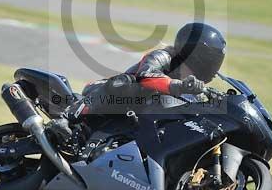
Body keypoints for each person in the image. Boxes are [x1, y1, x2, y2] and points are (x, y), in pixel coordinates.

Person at [50, 22, 226, 139]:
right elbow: (146, 76)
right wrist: (178, 86)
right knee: (125, 83)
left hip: (136, 124)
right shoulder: (164, 56)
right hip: (110, 96)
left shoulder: (193, 89)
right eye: (211, 59)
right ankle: (66, 118)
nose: (212, 65)